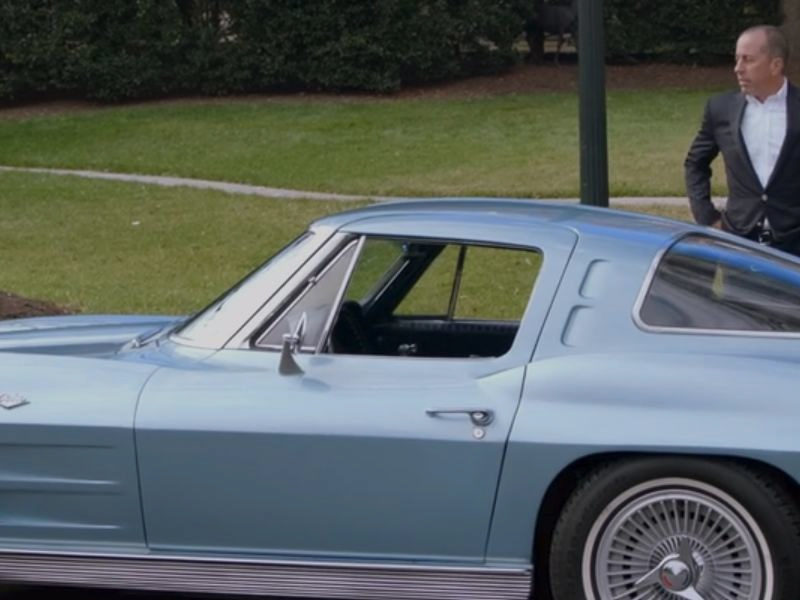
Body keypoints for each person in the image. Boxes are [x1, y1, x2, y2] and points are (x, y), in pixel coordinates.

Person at [685, 25, 800, 256]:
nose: (738, 68)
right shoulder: (721, 109)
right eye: (737, 59)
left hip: (794, 242)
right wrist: (707, 217)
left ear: (775, 65)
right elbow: (695, 163)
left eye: (748, 60)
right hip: (739, 241)